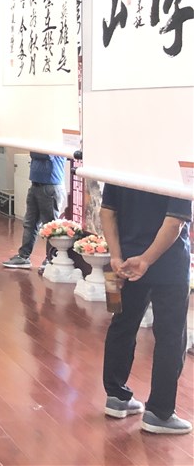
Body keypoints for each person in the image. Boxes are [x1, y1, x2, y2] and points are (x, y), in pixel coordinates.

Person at [101, 183, 191, 435]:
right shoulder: (178, 168)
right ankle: (159, 413)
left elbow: (107, 211)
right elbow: (174, 223)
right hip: (169, 266)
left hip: (122, 264)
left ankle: (115, 397)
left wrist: (115, 256)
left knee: (120, 324)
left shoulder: (120, 164)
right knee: (171, 336)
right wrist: (146, 260)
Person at [2, 153, 67, 269]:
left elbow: (45, 154)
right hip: (35, 185)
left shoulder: (55, 143)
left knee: (50, 226)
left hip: (51, 186)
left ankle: (51, 259)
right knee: (30, 223)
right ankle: (23, 256)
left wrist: (33, 152)